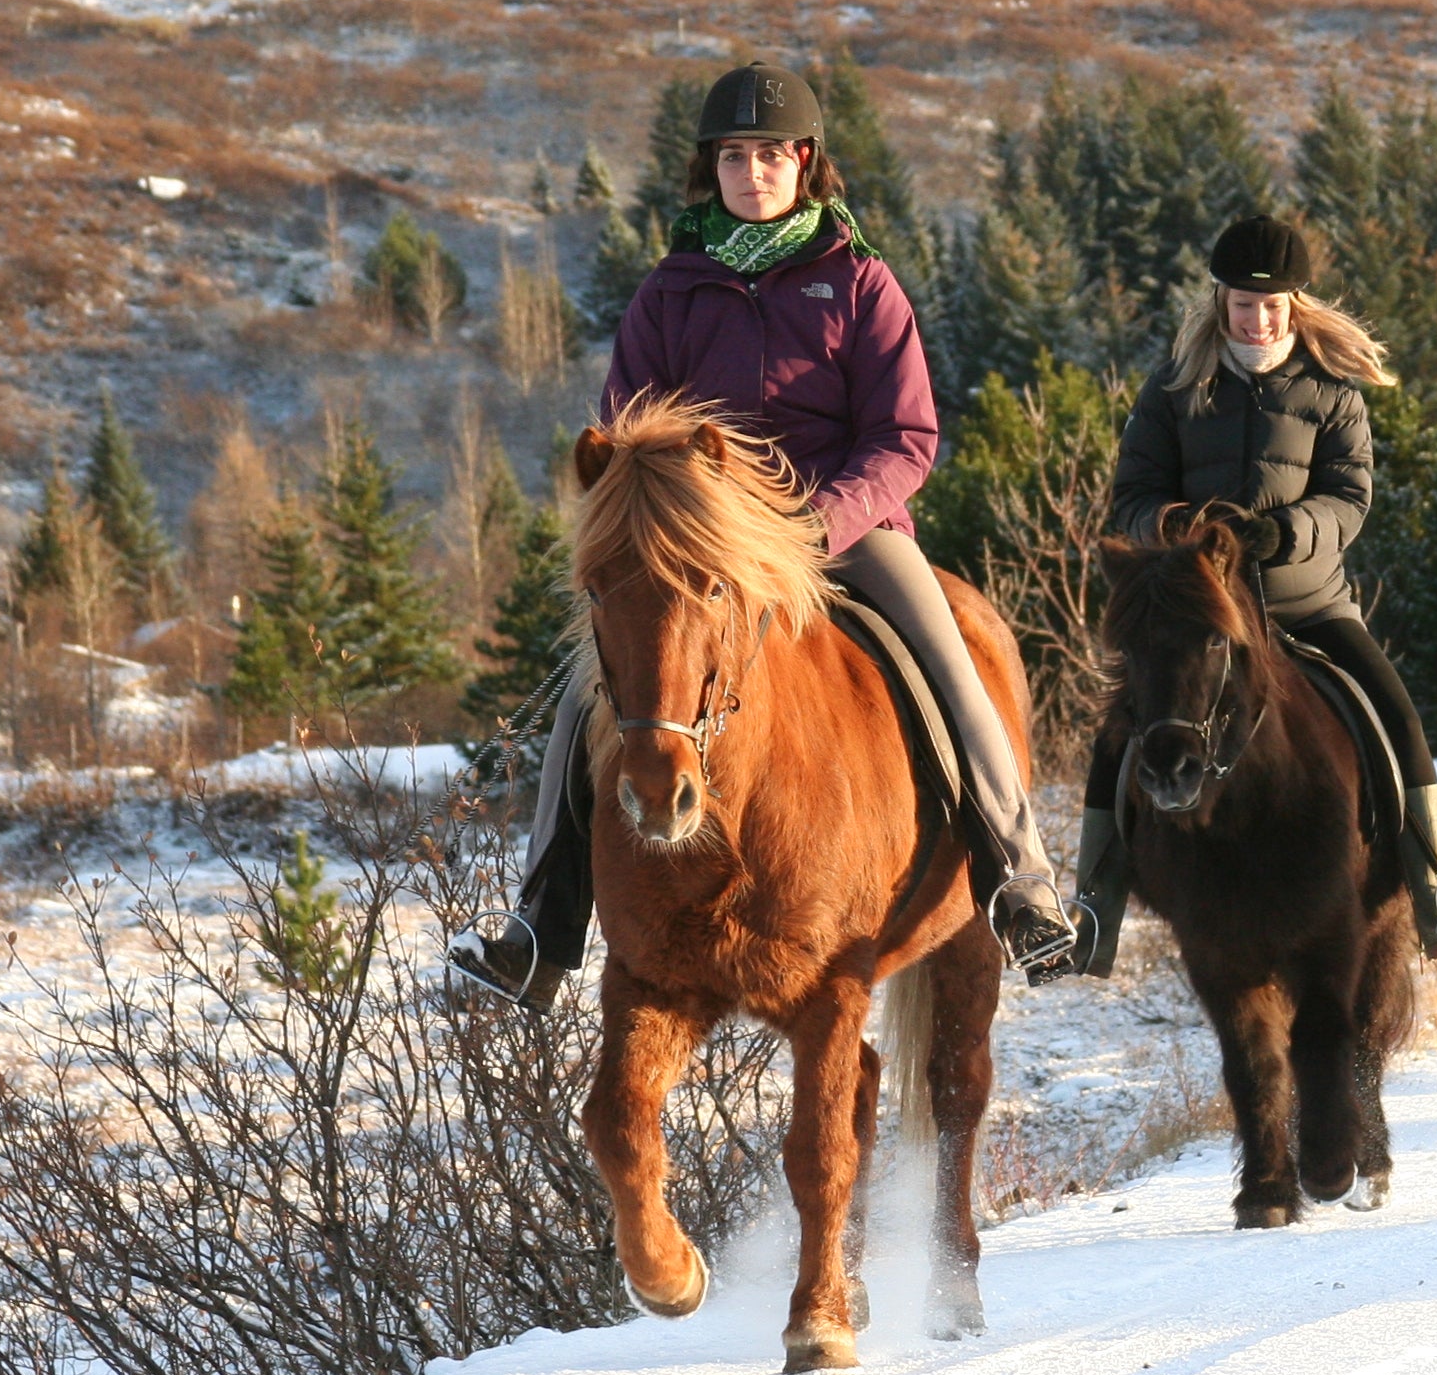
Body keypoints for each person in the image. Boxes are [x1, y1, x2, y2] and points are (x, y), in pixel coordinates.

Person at [447, 61, 1076, 1010]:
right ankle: (542, 927)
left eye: (771, 154)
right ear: (713, 170)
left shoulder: (859, 282)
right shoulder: (670, 293)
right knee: (592, 695)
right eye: (735, 156)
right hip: (702, 554)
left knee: (951, 662)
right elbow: (625, 440)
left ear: (805, 162)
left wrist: (817, 524)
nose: (753, 172)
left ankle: (1022, 886)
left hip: (844, 532)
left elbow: (907, 440)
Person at [1067, 215, 1437, 970]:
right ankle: (1096, 904)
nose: (1257, 320)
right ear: (1219, 303)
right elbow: (1132, 493)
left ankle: (1433, 886)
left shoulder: (1332, 392)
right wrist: (1172, 529)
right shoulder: (1172, 386)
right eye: (1242, 306)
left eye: (1272, 307)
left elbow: (1349, 499)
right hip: (1199, 609)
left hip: (1305, 602)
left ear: (1294, 305)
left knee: (1395, 714)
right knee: (1125, 728)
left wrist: (1284, 533)